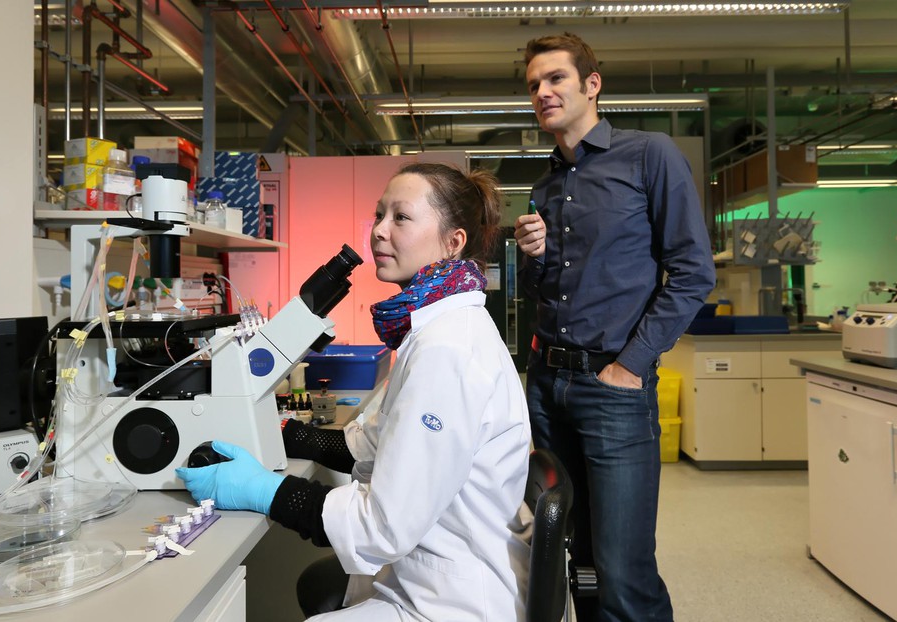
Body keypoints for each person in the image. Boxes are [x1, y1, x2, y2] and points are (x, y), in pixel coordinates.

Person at [177, 162, 532, 622]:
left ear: (453, 242)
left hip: (451, 600)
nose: (379, 232)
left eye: (400, 218)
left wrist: (263, 490)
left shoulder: (448, 349)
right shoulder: (434, 327)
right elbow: (375, 446)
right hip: (428, 570)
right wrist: (280, 432)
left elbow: (382, 527)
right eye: (379, 215)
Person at [513, 32, 716, 622]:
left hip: (613, 390)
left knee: (625, 571)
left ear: (591, 84)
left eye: (555, 79)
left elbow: (692, 272)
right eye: (534, 85)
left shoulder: (650, 155)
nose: (543, 93)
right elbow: (540, 292)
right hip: (549, 389)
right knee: (576, 557)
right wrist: (534, 258)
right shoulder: (546, 184)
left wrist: (630, 366)